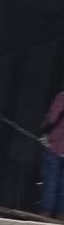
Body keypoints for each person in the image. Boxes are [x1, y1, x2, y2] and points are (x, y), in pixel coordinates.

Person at [41, 88, 64, 218]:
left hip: (55, 145)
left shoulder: (62, 96)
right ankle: (61, 216)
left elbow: (52, 118)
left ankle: (46, 213)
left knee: (50, 181)